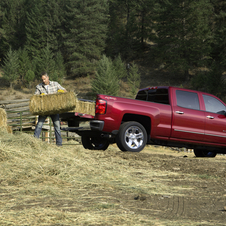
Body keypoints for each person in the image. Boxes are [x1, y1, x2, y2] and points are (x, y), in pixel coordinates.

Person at [34, 72, 66, 146]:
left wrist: (60, 91)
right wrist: (39, 96)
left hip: (54, 109)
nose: (44, 81)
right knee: (39, 125)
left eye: (45, 79)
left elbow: (65, 91)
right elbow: (34, 97)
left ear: (48, 78)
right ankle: (35, 141)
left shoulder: (55, 84)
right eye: (42, 79)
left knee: (57, 126)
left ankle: (59, 144)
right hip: (44, 110)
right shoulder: (39, 86)